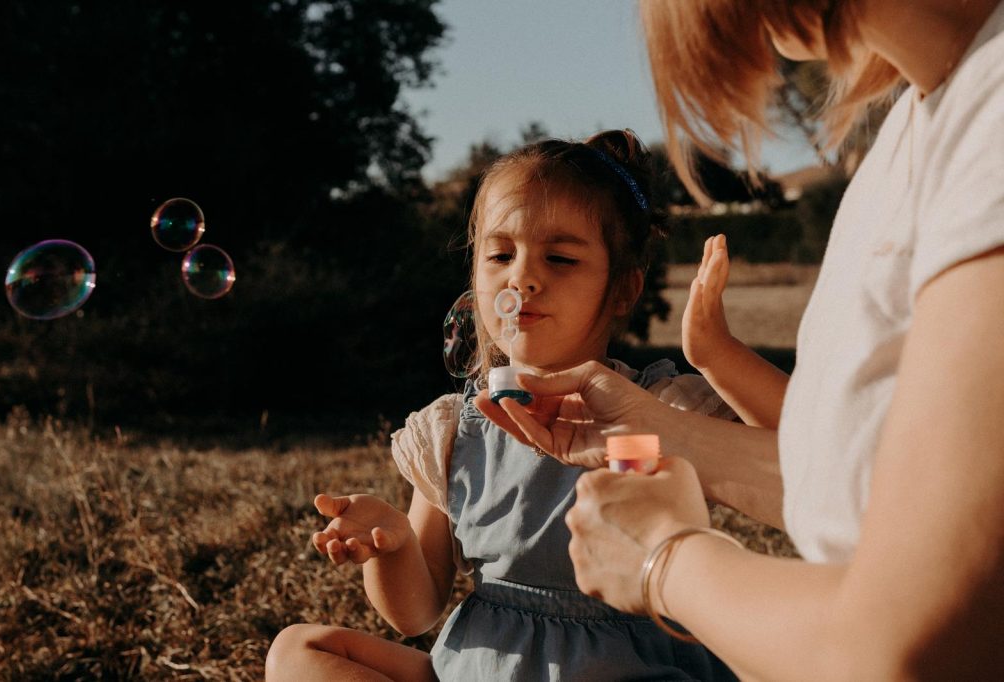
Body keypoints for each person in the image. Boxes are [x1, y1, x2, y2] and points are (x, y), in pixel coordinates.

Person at [481, 0, 1004, 679]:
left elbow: (916, 646)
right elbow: (883, 505)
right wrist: (654, 430)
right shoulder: (919, 126)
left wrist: (663, 559)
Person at [264, 129, 740, 681]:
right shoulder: (453, 430)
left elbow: (794, 453)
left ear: (623, 291)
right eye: (499, 254)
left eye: (560, 258)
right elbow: (416, 613)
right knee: (297, 652)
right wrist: (391, 545)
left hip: (623, 669)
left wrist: (718, 356)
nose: (523, 277)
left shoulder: (661, 412)